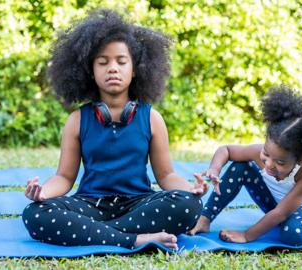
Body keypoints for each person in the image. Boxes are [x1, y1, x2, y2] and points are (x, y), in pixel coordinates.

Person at [22, 9, 207, 250]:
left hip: (139, 204)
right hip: (90, 206)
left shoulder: (152, 118)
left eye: (121, 62)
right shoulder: (77, 120)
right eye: (103, 62)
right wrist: (43, 193)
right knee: (35, 214)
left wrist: (190, 189)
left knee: (189, 205)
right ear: (91, 70)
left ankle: (97, 234)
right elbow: (65, 177)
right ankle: (133, 238)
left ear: (135, 69)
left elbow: (165, 176)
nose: (112, 68)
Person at [189, 85, 302, 245]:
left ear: (300, 160)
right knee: (240, 166)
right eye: (266, 153)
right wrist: (214, 169)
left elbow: (281, 213)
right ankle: (205, 218)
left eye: (280, 162)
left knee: (293, 234)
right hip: (276, 203)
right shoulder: (262, 156)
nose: (269, 164)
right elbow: (226, 149)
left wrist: (247, 235)